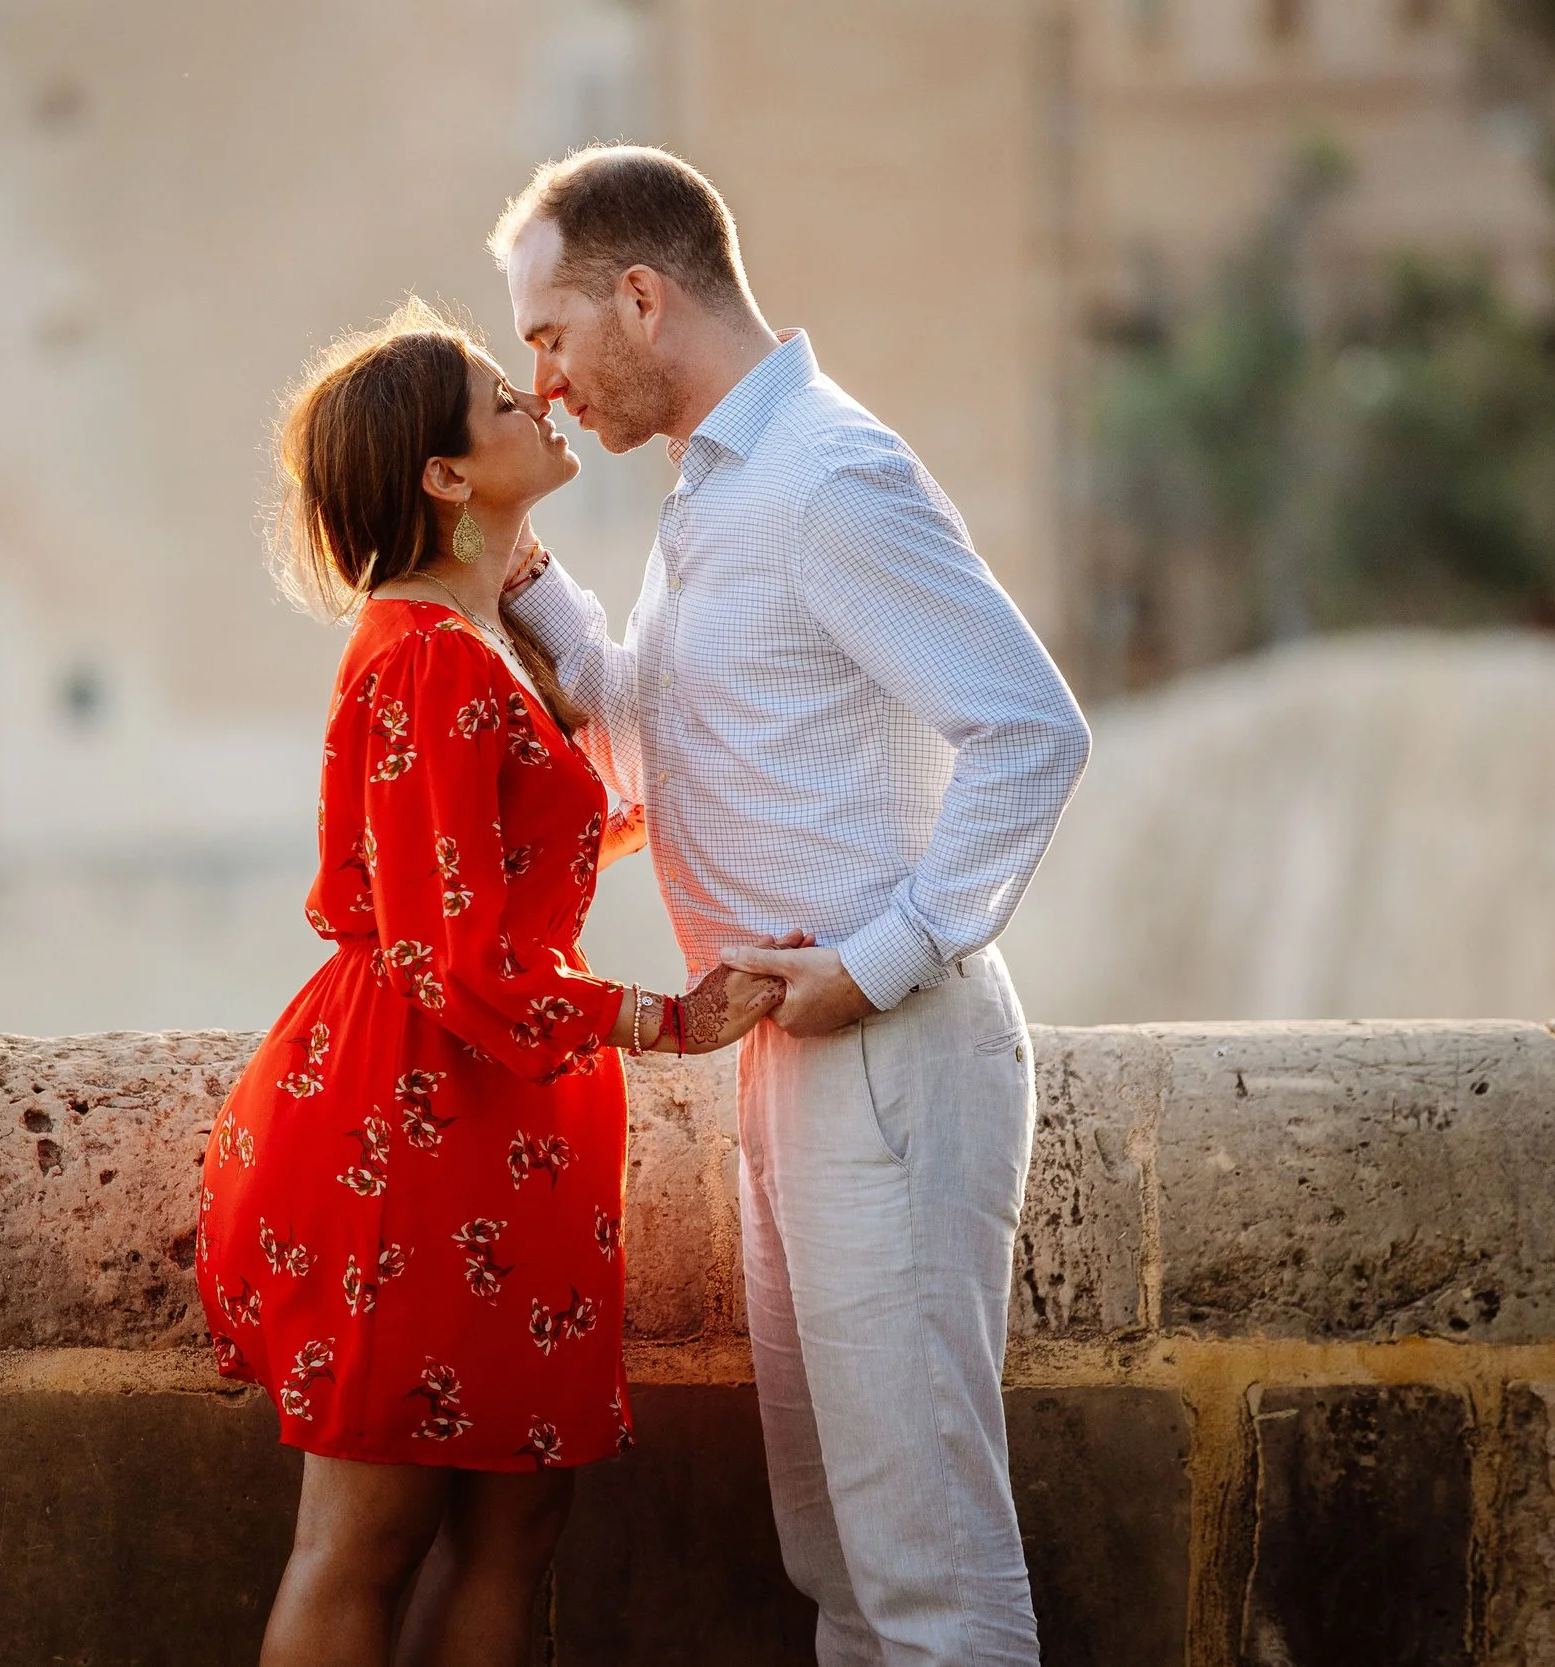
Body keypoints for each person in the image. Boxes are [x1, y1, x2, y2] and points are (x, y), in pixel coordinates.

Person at [490, 146, 1092, 1666]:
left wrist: (879, 962)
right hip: (804, 1064)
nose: (541, 383)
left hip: (885, 1056)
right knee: (837, 1561)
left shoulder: (827, 474)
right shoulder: (722, 490)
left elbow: (1032, 728)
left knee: (926, 1572)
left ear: (642, 296)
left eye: (549, 337)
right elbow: (665, 749)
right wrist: (529, 586)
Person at [195, 300, 782, 1667]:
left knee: (521, 1526)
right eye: (500, 404)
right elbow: (449, 955)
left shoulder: (462, 647)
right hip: (420, 1119)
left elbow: (568, 830)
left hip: (491, 1118)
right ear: (445, 477)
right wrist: (662, 1019)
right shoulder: (423, 662)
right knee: (368, 1533)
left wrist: (538, 596)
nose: (541, 400)